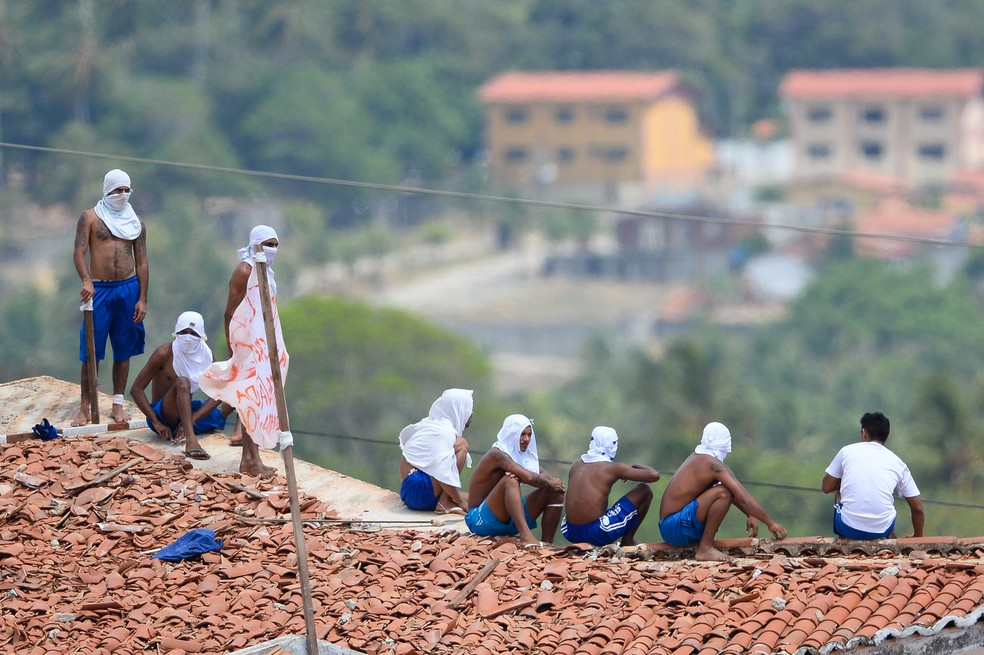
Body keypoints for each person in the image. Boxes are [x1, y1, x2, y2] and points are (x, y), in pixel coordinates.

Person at [72, 169, 149, 426]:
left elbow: (142, 262)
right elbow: (79, 252)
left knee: (123, 348)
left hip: (127, 288)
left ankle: (117, 403)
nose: (122, 195)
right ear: (107, 190)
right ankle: (85, 406)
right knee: (91, 350)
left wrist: (142, 299)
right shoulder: (91, 218)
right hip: (99, 289)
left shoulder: (136, 223)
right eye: (117, 190)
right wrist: (86, 280)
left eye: (126, 190)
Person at [658, 422, 787, 561]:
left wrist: (749, 513)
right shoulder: (711, 465)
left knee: (724, 491)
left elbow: (735, 495)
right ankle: (705, 548)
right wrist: (770, 523)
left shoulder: (700, 458)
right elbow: (741, 496)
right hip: (673, 527)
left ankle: (705, 545)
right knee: (722, 493)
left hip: (670, 528)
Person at [130, 311, 233, 460]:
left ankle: (240, 437)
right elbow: (136, 389)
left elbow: (219, 391)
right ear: (177, 332)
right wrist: (156, 422)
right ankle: (191, 440)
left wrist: (192, 419)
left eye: (194, 333)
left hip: (188, 414)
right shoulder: (164, 353)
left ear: (201, 335)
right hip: (164, 415)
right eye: (184, 332)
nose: (189, 337)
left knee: (235, 390)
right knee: (182, 382)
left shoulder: (206, 355)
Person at [221, 225, 279, 478]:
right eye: (268, 244)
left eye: (275, 245)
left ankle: (253, 457)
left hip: (263, 341)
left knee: (258, 398)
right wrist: (234, 345)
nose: (272, 250)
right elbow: (230, 311)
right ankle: (249, 459)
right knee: (249, 399)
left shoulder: (265, 270)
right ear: (255, 244)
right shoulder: (244, 270)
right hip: (247, 343)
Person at [464, 414, 566, 546]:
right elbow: (529, 477)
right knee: (510, 480)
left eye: (529, 435)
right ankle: (525, 535)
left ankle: (547, 544)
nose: (526, 439)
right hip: (480, 520)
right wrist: (548, 482)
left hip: (508, 520)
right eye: (522, 434)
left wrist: (552, 484)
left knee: (555, 492)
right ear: (512, 435)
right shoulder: (497, 454)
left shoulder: (521, 455)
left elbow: (542, 475)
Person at [822, 411, 924, 540]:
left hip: (848, 528)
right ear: (885, 436)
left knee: (840, 486)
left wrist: (841, 480)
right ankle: (890, 540)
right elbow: (918, 508)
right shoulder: (898, 462)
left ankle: (843, 540)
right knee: (885, 505)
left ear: (864, 433)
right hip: (883, 530)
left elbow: (826, 487)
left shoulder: (847, 451)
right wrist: (918, 537)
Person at [561, 426, 661, 547]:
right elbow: (654, 475)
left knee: (602, 509)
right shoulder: (612, 468)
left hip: (570, 532)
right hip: (596, 532)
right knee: (644, 490)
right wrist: (634, 466)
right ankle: (628, 540)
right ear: (613, 445)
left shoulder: (576, 465)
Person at [398, 388, 473, 514]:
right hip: (418, 488)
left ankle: (446, 499)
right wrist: (460, 502)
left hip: (412, 492)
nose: (471, 413)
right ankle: (444, 503)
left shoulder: (433, 424)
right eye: (469, 409)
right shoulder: (443, 431)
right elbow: (441, 470)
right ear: (458, 409)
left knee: (476, 499)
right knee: (462, 445)